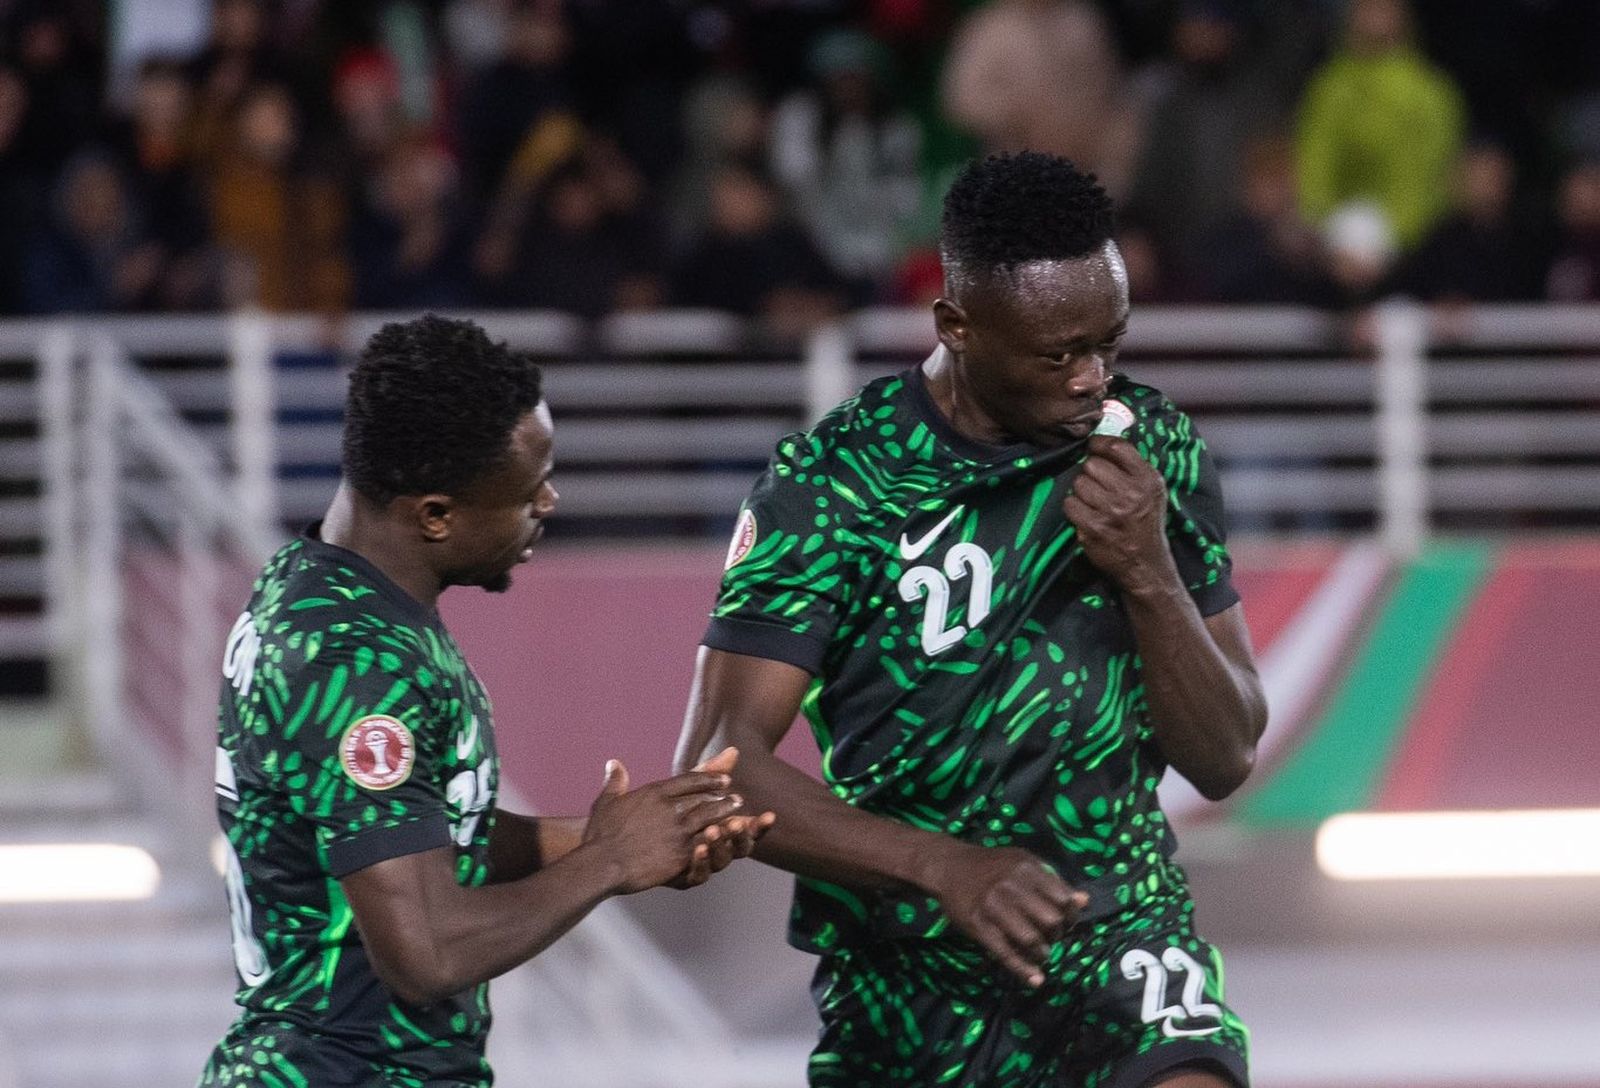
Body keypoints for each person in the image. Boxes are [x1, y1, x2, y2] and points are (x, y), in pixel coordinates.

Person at [677, 152, 1267, 1088]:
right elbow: (719, 763)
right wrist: (941, 866)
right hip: (906, 980)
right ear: (955, 324)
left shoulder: (1151, 450)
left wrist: (1150, 569)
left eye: (1110, 343)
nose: (1093, 379)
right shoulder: (835, 484)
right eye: (1058, 355)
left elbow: (1226, 756)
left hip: (1119, 935)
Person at [201, 315, 771, 1087]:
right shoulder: (356, 663)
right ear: (435, 514)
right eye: (526, 491)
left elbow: (422, 830)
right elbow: (426, 952)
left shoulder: (321, 587)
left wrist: (626, 838)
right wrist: (609, 861)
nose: (549, 502)